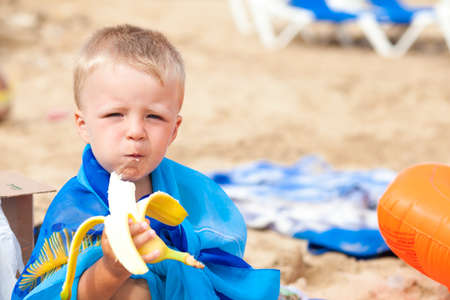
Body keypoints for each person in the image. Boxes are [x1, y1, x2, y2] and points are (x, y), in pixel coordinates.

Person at [12, 24, 280, 300]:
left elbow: (223, 263)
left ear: (174, 130)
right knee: (133, 291)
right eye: (116, 114)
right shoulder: (74, 210)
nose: (136, 131)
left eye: (154, 117)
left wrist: (176, 257)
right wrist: (110, 270)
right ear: (83, 124)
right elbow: (53, 293)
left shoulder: (194, 191)